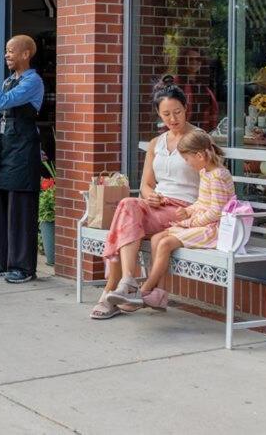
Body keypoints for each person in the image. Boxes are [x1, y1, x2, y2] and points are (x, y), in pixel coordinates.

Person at [89, 79, 201, 320]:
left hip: (184, 211)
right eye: (166, 114)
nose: (173, 119)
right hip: (157, 207)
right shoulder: (156, 144)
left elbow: (211, 183)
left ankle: (112, 290)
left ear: (186, 107)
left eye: (177, 112)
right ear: (159, 115)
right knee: (128, 204)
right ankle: (128, 282)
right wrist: (149, 197)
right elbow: (146, 185)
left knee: (122, 222)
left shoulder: (199, 140)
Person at [107, 128, 234, 310]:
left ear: (199, 155)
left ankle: (144, 291)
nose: (187, 164)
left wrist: (189, 222)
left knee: (165, 243)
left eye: (187, 159)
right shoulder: (206, 172)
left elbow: (217, 211)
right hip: (201, 222)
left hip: (214, 229)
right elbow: (203, 202)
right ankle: (157, 295)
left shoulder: (218, 176)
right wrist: (189, 211)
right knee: (158, 237)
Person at [0, 35, 45, 284]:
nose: (6, 55)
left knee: (21, 209)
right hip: (5, 148)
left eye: (10, 51)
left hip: (23, 150)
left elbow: (2, 100)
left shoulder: (32, 82)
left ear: (26, 54)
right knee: (1, 205)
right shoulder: (8, 80)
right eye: (6, 51)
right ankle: (1, 261)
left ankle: (23, 267)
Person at [174, 47, 219, 132]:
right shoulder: (176, 84)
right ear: (183, 61)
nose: (194, 62)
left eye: (198, 59)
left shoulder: (204, 86)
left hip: (201, 133)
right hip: (180, 133)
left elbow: (213, 112)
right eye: (190, 59)